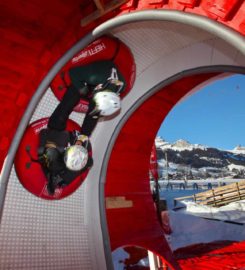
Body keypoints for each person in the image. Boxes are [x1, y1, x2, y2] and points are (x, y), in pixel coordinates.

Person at [38, 60, 126, 195]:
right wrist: (82, 88)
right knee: (72, 95)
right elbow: (72, 73)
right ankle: (55, 127)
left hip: (102, 88)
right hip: (90, 79)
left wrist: (82, 138)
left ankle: (60, 176)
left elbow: (95, 113)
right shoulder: (92, 75)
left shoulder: (122, 86)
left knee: (93, 116)